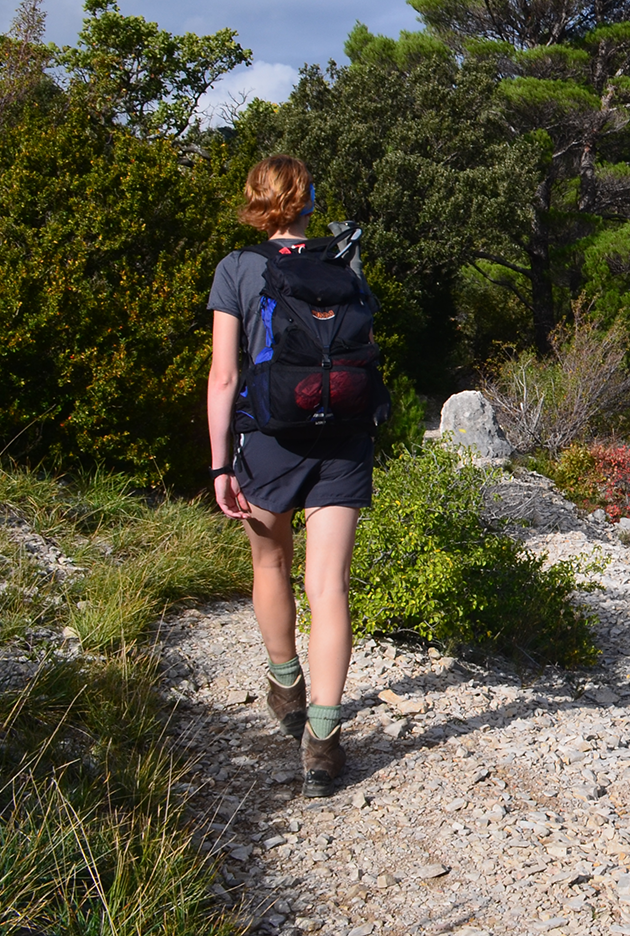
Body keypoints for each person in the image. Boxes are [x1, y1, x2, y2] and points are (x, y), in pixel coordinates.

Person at [207, 155, 376, 797]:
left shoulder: (237, 268)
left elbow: (225, 376)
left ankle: (287, 687)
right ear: (308, 202)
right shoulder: (345, 261)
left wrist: (221, 461)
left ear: (255, 201)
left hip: (270, 443)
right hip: (344, 438)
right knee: (328, 586)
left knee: (270, 567)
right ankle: (325, 744)